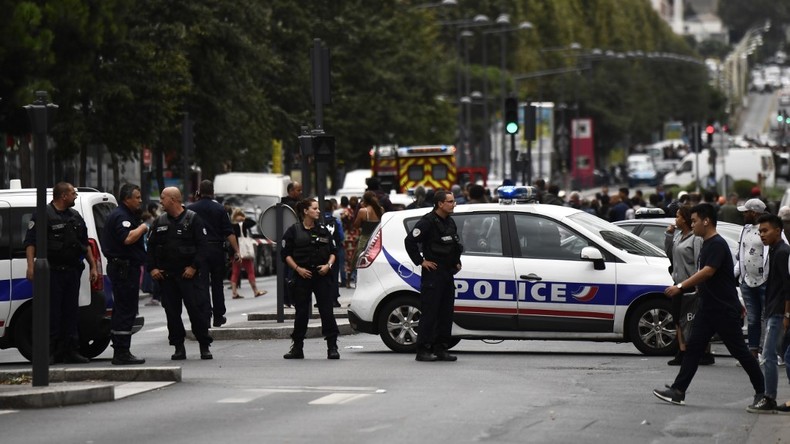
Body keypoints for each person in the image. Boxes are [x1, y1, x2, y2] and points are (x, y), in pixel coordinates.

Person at [653, 203, 767, 408]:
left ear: (706, 221)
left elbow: (708, 271)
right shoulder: (707, 242)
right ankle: (678, 391)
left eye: (695, 221)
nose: (693, 224)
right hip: (707, 309)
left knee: (740, 352)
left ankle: (763, 393)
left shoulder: (716, 243)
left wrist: (680, 286)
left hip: (723, 309)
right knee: (693, 349)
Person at [24, 182, 96, 364]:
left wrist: (93, 266)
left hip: (72, 272)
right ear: (63, 196)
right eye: (73, 193)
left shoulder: (75, 216)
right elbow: (31, 242)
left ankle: (71, 350)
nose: (75, 196)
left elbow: (84, 244)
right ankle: (50, 352)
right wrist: (31, 266)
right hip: (52, 273)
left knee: (71, 313)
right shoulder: (43, 215)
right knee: (52, 313)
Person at [147, 187, 214, 360]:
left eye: (163, 198)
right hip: (167, 277)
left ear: (173, 200)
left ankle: (204, 345)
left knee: (197, 311)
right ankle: (178, 347)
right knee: (172, 314)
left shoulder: (193, 219)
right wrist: (152, 268)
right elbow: (151, 248)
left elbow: (204, 247)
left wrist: (194, 267)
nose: (160, 201)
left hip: (189, 277)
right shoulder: (159, 221)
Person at [404, 189, 463, 362]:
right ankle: (423, 349)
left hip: (447, 273)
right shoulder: (427, 222)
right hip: (433, 274)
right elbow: (410, 241)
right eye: (450, 201)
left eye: (453, 201)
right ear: (440, 204)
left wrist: (456, 263)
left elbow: (453, 245)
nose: (454, 204)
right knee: (430, 313)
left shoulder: (450, 222)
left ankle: (441, 348)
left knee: (446, 313)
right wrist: (420, 261)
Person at [281, 198, 340, 360]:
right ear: (305, 211)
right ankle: (297, 347)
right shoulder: (293, 231)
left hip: (322, 275)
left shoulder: (323, 230)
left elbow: (334, 251)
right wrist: (298, 269)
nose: (318, 211)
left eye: (318, 208)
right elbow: (285, 254)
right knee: (301, 313)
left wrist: (328, 265)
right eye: (315, 208)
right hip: (302, 276)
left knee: (327, 311)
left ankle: (332, 347)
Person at [101, 183, 147, 365]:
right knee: (125, 310)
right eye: (137, 197)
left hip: (126, 268)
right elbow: (127, 238)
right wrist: (143, 228)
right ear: (127, 199)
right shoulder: (121, 216)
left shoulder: (126, 214)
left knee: (124, 309)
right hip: (124, 269)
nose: (140, 200)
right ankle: (121, 352)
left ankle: (121, 349)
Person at [748, 214, 790, 412]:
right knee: (783, 355)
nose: (761, 235)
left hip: (779, 312)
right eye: (760, 231)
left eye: (765, 231)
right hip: (774, 309)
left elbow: (788, 286)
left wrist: (786, 314)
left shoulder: (782, 252)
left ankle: (769, 398)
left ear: (778, 230)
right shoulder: (774, 251)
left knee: (769, 355)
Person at [664, 206, 714, 366]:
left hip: (692, 283)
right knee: (679, 317)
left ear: (685, 219)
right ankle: (682, 350)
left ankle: (704, 351)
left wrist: (698, 285)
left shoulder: (695, 238)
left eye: (678, 217)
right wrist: (668, 235)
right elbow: (670, 254)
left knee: (694, 319)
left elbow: (700, 262)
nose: (675, 220)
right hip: (678, 282)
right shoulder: (679, 236)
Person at [188, 180, 241, 327]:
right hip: (217, 250)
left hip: (199, 251)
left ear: (199, 191)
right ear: (213, 192)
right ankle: (219, 316)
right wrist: (236, 251)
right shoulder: (220, 209)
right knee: (218, 284)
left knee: (202, 284)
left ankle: (205, 315)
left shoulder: (191, 209)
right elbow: (229, 232)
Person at [735, 198, 771, 361]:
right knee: (753, 318)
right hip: (747, 281)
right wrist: (735, 275)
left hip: (765, 281)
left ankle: (768, 352)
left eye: (746, 212)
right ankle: (753, 353)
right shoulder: (746, 229)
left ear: (754, 213)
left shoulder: (769, 228)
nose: (744, 215)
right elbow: (740, 254)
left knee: (767, 318)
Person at [229, 209, 267, 299]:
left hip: (234, 252)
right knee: (250, 271)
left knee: (235, 272)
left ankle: (234, 292)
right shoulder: (244, 225)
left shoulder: (231, 226)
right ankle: (255, 291)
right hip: (244, 252)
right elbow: (253, 222)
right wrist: (244, 219)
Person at [280, 182, 302, 307]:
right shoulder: (289, 207)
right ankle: (290, 299)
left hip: (291, 243)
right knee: (290, 273)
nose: (300, 193)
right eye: (298, 190)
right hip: (291, 243)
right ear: (291, 191)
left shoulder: (284, 205)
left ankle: (287, 299)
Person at [352, 191, 383, 274]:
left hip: (365, 239)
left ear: (365, 201)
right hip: (377, 239)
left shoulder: (363, 211)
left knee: (359, 258)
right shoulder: (381, 209)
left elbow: (356, 225)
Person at [323, 200, 344, 307]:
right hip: (334, 252)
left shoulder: (319, 221)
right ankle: (334, 299)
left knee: (323, 277)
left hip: (322, 253)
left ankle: (322, 299)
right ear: (332, 208)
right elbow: (341, 236)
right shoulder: (336, 221)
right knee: (334, 276)